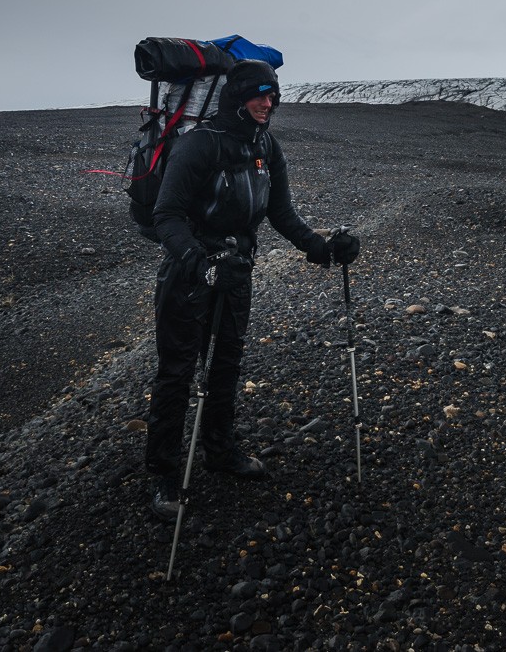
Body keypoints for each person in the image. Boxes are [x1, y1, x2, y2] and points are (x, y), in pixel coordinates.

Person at [145, 59, 360, 520]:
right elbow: (167, 216)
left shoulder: (265, 144)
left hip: (237, 271)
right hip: (189, 274)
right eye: (260, 95)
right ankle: (164, 474)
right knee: (177, 372)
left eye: (273, 95)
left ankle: (220, 450)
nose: (268, 103)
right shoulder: (199, 144)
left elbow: (281, 213)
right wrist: (201, 264)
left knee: (226, 364)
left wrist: (323, 248)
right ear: (237, 97)